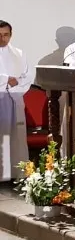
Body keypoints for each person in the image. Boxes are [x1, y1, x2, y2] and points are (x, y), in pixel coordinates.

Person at [0, 21, 33, 183]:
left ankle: (17, 174)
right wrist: (6, 80)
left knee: (16, 139)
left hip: (15, 97)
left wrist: (16, 84)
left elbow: (28, 75)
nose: (2, 38)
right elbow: (8, 78)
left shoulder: (19, 53)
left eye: (6, 35)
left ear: (11, 35)